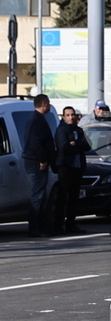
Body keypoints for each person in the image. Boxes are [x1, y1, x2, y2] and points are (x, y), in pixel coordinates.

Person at [53, 105, 91, 235]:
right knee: (63, 197)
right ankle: (58, 225)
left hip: (78, 167)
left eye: (73, 115)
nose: (71, 117)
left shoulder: (79, 131)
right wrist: (75, 145)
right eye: (68, 115)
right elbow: (64, 148)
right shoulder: (61, 130)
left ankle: (71, 224)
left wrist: (76, 143)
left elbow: (87, 145)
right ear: (63, 117)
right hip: (65, 167)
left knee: (74, 198)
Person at [23, 94, 55, 237]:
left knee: (40, 195)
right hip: (36, 163)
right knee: (38, 196)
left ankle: (42, 226)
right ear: (44, 104)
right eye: (48, 103)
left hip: (34, 161)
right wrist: (42, 160)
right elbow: (36, 143)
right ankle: (35, 228)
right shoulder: (37, 120)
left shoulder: (36, 119)